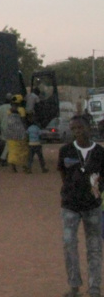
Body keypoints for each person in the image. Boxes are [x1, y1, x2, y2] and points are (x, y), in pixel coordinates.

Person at [59, 115, 104, 297]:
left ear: (88, 128)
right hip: (69, 205)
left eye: (80, 128)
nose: (77, 132)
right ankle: (74, 286)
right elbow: (63, 175)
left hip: (92, 206)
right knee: (69, 244)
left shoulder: (100, 152)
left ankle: (94, 288)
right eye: (74, 129)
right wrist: (72, 190)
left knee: (94, 247)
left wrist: (96, 188)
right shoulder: (66, 151)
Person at [5, 95, 29, 173]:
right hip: (20, 133)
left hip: (11, 133)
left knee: (12, 150)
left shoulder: (9, 110)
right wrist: (26, 131)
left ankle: (13, 168)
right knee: (23, 150)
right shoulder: (21, 110)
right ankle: (24, 167)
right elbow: (23, 121)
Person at [0, 93, 13, 166]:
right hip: (10, 127)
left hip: (2, 127)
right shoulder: (12, 108)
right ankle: (3, 158)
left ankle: (3, 157)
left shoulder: (1, 107)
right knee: (8, 143)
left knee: (4, 142)